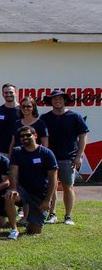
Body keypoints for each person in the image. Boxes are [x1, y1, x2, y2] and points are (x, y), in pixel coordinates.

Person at [38, 90, 89, 226]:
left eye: (60, 99)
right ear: (51, 102)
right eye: (54, 99)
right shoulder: (45, 118)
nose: (57, 101)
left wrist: (79, 156)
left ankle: (68, 216)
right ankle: (52, 214)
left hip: (68, 158)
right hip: (50, 158)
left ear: (64, 100)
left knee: (68, 186)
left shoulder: (75, 116)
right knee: (51, 187)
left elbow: (83, 136)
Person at [7, 126, 58, 235]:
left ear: (35, 136)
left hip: (39, 194)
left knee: (35, 231)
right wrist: (13, 188)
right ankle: (14, 229)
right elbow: (13, 171)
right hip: (22, 190)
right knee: (10, 196)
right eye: (22, 136)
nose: (25, 137)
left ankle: (30, 222)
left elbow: (53, 178)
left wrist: (47, 200)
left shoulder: (46, 153)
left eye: (28, 135)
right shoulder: (17, 151)